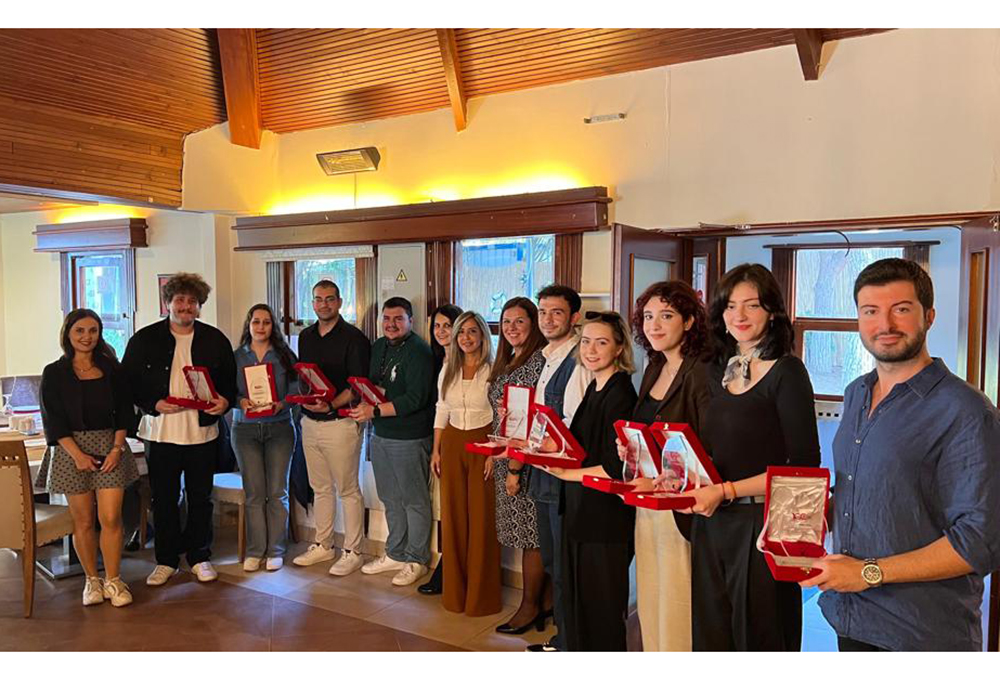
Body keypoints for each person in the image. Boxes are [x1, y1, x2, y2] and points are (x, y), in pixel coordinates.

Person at [806, 258, 1000, 651]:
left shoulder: (965, 410)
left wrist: (868, 572)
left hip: (921, 633)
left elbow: (980, 541)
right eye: (870, 311)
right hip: (851, 619)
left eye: (901, 309)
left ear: (929, 316)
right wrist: (808, 515)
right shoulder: (856, 393)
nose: (885, 325)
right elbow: (869, 490)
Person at [682, 263, 820, 651]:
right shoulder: (716, 369)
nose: (739, 315)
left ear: (772, 311)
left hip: (763, 524)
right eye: (730, 306)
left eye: (752, 305)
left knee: (760, 637)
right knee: (712, 636)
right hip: (713, 520)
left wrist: (727, 490)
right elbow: (713, 448)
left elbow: (804, 467)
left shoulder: (788, 372)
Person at [122, 273, 237, 587]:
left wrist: (224, 402)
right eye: (180, 300)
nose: (186, 306)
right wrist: (153, 402)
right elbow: (127, 384)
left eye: (192, 301)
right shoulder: (143, 340)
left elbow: (230, 384)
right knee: (164, 499)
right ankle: (166, 560)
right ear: (168, 303)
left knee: (201, 498)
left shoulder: (215, 340)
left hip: (202, 433)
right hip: (160, 433)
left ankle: (199, 556)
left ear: (200, 306)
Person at [542, 310, 637, 651]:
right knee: (580, 600)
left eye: (601, 343)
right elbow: (583, 446)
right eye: (585, 342)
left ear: (619, 348)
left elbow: (615, 465)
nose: (591, 350)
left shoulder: (621, 394)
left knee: (601, 608)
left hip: (604, 517)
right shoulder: (596, 387)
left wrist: (568, 473)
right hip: (581, 509)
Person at [624, 280, 711, 651]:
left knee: (679, 602)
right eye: (648, 317)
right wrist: (631, 448)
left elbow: (710, 445)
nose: (654, 325)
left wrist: (670, 473)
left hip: (684, 505)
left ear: (689, 321)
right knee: (651, 597)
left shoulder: (702, 371)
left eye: (666, 315)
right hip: (648, 500)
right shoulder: (654, 366)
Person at [38, 309, 139, 607]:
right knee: (82, 521)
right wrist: (78, 455)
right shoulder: (54, 372)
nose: (87, 337)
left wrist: (117, 449)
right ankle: (92, 580)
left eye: (93, 330)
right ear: (68, 333)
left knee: (111, 517)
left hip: (110, 447)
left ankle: (114, 580)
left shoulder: (113, 370)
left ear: (99, 334)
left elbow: (125, 412)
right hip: (70, 451)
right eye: (80, 330)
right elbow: (53, 419)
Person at [352, 297, 436, 586]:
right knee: (390, 498)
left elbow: (415, 398)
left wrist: (375, 410)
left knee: (414, 500)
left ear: (411, 321)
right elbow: (377, 385)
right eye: (386, 318)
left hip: (410, 436)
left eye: (398, 318)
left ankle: (417, 559)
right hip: (381, 434)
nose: (391, 324)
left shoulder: (420, 351)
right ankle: (396, 553)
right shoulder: (378, 346)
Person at [525, 285, 591, 652]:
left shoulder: (579, 361)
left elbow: (573, 427)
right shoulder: (548, 357)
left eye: (557, 313)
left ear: (574, 317)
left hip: (563, 478)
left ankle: (569, 644)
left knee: (565, 566)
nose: (548, 320)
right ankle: (563, 637)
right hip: (543, 473)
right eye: (543, 312)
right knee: (552, 560)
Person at [293, 280, 371, 576]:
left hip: (341, 423)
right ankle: (323, 545)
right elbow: (306, 377)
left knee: (348, 490)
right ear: (312, 303)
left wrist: (330, 406)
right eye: (318, 299)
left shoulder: (354, 338)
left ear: (339, 302)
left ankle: (353, 551)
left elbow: (357, 384)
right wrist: (309, 402)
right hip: (310, 422)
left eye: (329, 299)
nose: (323, 304)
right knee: (320, 488)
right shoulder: (306, 336)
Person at [431, 311, 502, 614]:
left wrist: (495, 451)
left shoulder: (494, 370)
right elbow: (442, 409)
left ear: (483, 335)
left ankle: (480, 598)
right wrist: (436, 450)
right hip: (451, 443)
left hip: (483, 444)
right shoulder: (448, 369)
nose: (466, 338)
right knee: (453, 519)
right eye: (461, 332)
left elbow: (503, 414)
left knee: (482, 521)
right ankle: (455, 594)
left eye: (472, 331)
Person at [488, 297, 550, 634]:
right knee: (531, 536)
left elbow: (529, 422)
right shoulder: (510, 359)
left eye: (520, 321)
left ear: (534, 324)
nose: (512, 328)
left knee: (532, 538)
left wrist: (514, 469)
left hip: (523, 461)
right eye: (507, 322)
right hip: (507, 455)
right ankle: (546, 603)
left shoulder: (537, 362)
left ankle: (529, 608)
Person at [231, 304, 298, 572]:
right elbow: (227, 390)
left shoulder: (285, 356)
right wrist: (240, 401)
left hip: (279, 428)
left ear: (273, 326)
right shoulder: (237, 357)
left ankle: (275, 550)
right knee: (254, 493)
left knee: (278, 492)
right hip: (245, 431)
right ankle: (255, 550)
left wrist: (282, 403)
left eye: (266, 322)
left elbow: (297, 389)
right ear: (248, 325)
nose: (261, 327)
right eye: (256, 322)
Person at [420, 303, 463, 596]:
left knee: (455, 509)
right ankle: (446, 567)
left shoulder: (467, 361)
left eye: (448, 325)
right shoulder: (436, 360)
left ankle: (452, 569)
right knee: (443, 507)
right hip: (440, 440)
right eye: (437, 326)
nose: (441, 331)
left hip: (460, 439)